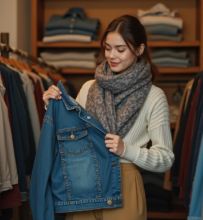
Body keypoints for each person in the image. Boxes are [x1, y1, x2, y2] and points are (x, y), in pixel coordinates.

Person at [42, 15, 175, 220]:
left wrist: (126, 150)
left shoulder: (154, 96)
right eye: (107, 48)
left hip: (126, 186)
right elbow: (70, 140)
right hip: (85, 183)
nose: (112, 55)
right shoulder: (88, 88)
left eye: (120, 49)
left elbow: (166, 158)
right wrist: (50, 106)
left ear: (140, 49)